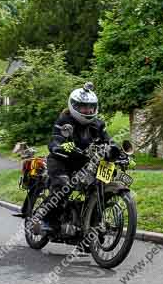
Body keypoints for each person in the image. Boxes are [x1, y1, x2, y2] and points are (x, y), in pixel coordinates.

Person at [40, 82, 111, 232]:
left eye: (91, 107)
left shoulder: (98, 124)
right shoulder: (65, 121)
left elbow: (109, 141)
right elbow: (55, 139)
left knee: (100, 184)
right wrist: (60, 146)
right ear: (75, 106)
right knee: (63, 185)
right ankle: (47, 220)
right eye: (84, 106)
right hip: (61, 160)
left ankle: (89, 223)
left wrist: (118, 152)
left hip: (84, 163)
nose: (88, 110)